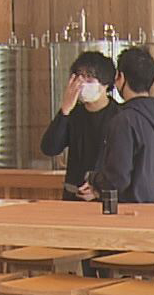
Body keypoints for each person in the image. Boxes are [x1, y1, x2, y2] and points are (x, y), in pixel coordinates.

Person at [87, 48, 154, 204]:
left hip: (124, 208)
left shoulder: (124, 120)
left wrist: (93, 180)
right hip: (153, 205)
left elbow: (117, 178)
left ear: (121, 77)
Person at [40, 50, 119, 201]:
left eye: (89, 77)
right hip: (73, 197)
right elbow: (49, 148)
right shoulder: (73, 114)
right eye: (78, 76)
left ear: (105, 83)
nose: (82, 83)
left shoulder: (119, 116)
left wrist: (100, 190)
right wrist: (65, 109)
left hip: (105, 198)